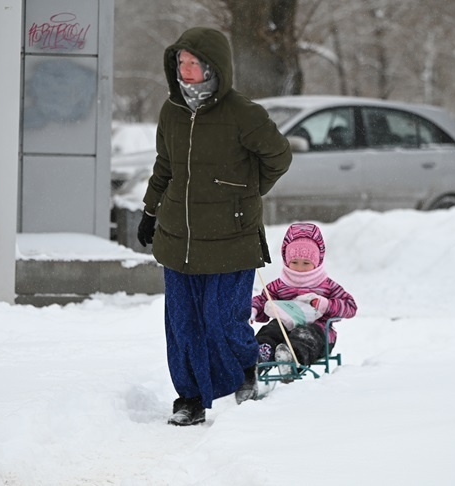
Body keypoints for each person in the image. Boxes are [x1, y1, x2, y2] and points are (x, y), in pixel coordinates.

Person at [136, 27, 292, 426]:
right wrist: (150, 211)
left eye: (193, 63)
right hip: (179, 239)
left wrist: (246, 193)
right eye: (180, 62)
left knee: (222, 320)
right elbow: (165, 167)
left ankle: (243, 375)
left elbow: (278, 157)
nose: (185, 70)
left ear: (213, 66)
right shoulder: (171, 111)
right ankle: (189, 397)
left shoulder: (244, 113)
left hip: (231, 238)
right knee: (183, 324)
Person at [251, 223, 357, 377]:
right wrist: (253, 310)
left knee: (305, 334)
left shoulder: (326, 285)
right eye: (294, 262)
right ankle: (261, 354)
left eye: (306, 263)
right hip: (285, 328)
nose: (299, 268)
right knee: (273, 328)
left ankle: (292, 359)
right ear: (287, 261)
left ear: (316, 262)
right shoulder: (280, 285)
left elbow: (350, 306)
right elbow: (263, 301)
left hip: (318, 334)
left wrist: (326, 305)